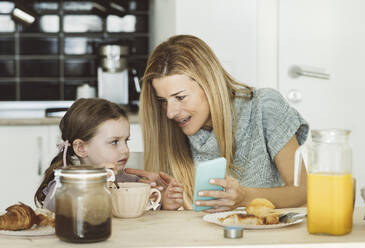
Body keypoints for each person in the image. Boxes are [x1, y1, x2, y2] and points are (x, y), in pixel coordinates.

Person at [126, 34, 309, 212]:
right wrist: (162, 202)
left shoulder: (264, 106)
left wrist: (245, 197)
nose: (170, 112)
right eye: (163, 100)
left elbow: (303, 191)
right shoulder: (168, 128)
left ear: (210, 85)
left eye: (180, 97)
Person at [34, 98, 183, 211]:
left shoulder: (130, 182)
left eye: (126, 140)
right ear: (81, 148)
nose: (125, 149)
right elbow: (52, 207)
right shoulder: (66, 183)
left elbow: (144, 215)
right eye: (114, 142)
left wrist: (163, 202)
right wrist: (92, 184)